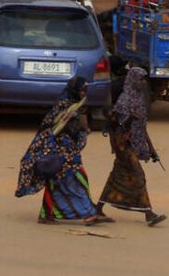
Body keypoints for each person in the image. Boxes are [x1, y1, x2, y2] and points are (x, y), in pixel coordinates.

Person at [15, 77, 104, 225]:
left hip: (68, 149)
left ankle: (46, 214)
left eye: (85, 90)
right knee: (74, 179)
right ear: (74, 89)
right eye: (81, 90)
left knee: (57, 182)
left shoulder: (78, 105)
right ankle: (87, 214)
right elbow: (55, 126)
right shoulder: (64, 106)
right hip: (60, 150)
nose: (83, 93)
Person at [96, 67, 165, 227]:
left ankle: (98, 208)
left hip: (133, 144)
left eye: (144, 79)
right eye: (140, 79)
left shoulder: (139, 98)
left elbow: (142, 126)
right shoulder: (124, 100)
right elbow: (117, 125)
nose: (143, 82)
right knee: (138, 176)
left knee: (116, 177)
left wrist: (151, 149)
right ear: (133, 80)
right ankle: (149, 213)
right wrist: (130, 120)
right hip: (123, 145)